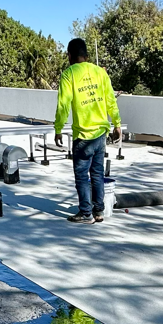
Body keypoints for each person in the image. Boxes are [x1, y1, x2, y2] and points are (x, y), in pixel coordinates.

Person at [54, 38, 122, 224]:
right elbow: (111, 100)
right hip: (100, 135)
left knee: (82, 176)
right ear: (86, 54)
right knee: (98, 173)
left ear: (69, 55)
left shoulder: (69, 74)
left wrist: (58, 128)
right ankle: (98, 211)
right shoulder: (100, 72)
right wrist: (116, 123)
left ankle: (86, 213)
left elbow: (63, 105)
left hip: (83, 136)